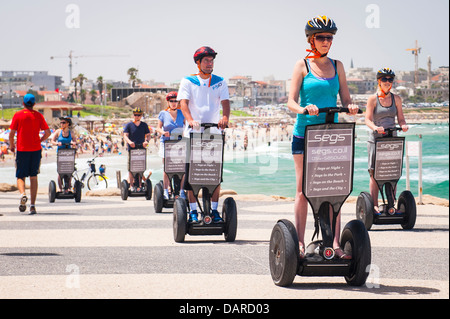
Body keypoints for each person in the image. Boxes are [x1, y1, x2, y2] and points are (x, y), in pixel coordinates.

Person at [287, 16, 359, 259]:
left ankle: (336, 245)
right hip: (305, 134)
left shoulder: (338, 65)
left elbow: (346, 98)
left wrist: (351, 107)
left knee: (334, 189)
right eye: (322, 37)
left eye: (330, 37)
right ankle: (297, 242)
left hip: (332, 136)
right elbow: (291, 101)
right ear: (311, 40)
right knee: (303, 190)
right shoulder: (302, 66)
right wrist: (304, 109)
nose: (326, 41)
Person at [178, 46, 230, 223]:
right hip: (193, 133)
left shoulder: (220, 81)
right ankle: (193, 210)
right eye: (206, 60)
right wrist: (191, 120)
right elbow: (183, 104)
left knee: (214, 174)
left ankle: (214, 211)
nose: (210, 63)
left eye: (212, 60)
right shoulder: (188, 81)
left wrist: (224, 118)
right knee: (192, 174)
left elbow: (225, 103)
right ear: (198, 63)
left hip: (214, 133)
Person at [365, 67, 408, 213]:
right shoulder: (373, 99)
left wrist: (403, 125)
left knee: (393, 171)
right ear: (379, 81)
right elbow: (367, 120)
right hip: (376, 140)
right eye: (384, 79)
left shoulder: (396, 98)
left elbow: (401, 118)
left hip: (392, 139)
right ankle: (375, 205)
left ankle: (392, 204)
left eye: (390, 80)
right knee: (375, 172)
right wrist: (375, 128)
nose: (387, 82)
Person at [9, 93, 51, 214]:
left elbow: (11, 134)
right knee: (33, 176)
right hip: (35, 149)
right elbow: (47, 132)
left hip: (22, 149)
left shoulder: (18, 115)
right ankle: (32, 206)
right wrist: (40, 140)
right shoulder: (38, 116)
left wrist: (12, 145)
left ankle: (23, 194)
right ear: (34, 104)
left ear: (23, 103)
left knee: (20, 176)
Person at [155, 91, 186, 200]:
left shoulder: (182, 113)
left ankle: (182, 190)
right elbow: (158, 128)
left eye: (176, 101)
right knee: (166, 167)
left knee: (183, 168)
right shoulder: (163, 114)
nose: (174, 103)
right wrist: (163, 132)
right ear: (168, 102)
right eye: (171, 101)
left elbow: (187, 127)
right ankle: (166, 190)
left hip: (179, 144)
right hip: (166, 143)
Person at [123, 107, 151, 191]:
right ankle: (131, 186)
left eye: (139, 115)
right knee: (131, 168)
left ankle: (139, 185)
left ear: (141, 116)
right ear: (133, 115)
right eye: (135, 115)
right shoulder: (129, 125)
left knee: (141, 167)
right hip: (132, 149)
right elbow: (125, 135)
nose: (137, 116)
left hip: (141, 148)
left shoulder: (144, 125)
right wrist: (129, 142)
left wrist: (146, 141)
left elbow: (148, 135)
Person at [51, 116, 77, 192]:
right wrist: (57, 143)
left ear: (67, 124)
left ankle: (68, 187)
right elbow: (52, 141)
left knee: (70, 170)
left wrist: (73, 143)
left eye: (63, 122)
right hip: (60, 154)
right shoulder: (58, 132)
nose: (61, 124)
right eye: (61, 122)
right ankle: (60, 188)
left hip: (69, 154)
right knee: (60, 171)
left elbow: (75, 141)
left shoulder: (71, 133)